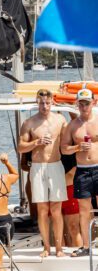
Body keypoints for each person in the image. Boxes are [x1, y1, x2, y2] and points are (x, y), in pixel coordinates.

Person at [19, 88, 67, 257]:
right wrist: (37, 142)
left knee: (56, 209)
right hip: (38, 166)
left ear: (52, 102)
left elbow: (70, 138)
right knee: (42, 209)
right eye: (41, 103)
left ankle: (59, 248)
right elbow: (20, 147)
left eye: (47, 103)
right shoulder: (29, 123)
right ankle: (46, 247)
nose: (44, 106)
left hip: (55, 164)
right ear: (37, 103)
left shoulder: (60, 120)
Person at [61, 88, 98, 257]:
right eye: (81, 103)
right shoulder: (73, 125)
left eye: (87, 103)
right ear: (77, 104)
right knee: (84, 210)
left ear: (94, 102)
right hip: (83, 171)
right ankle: (86, 246)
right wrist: (78, 147)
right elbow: (64, 149)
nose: (84, 107)